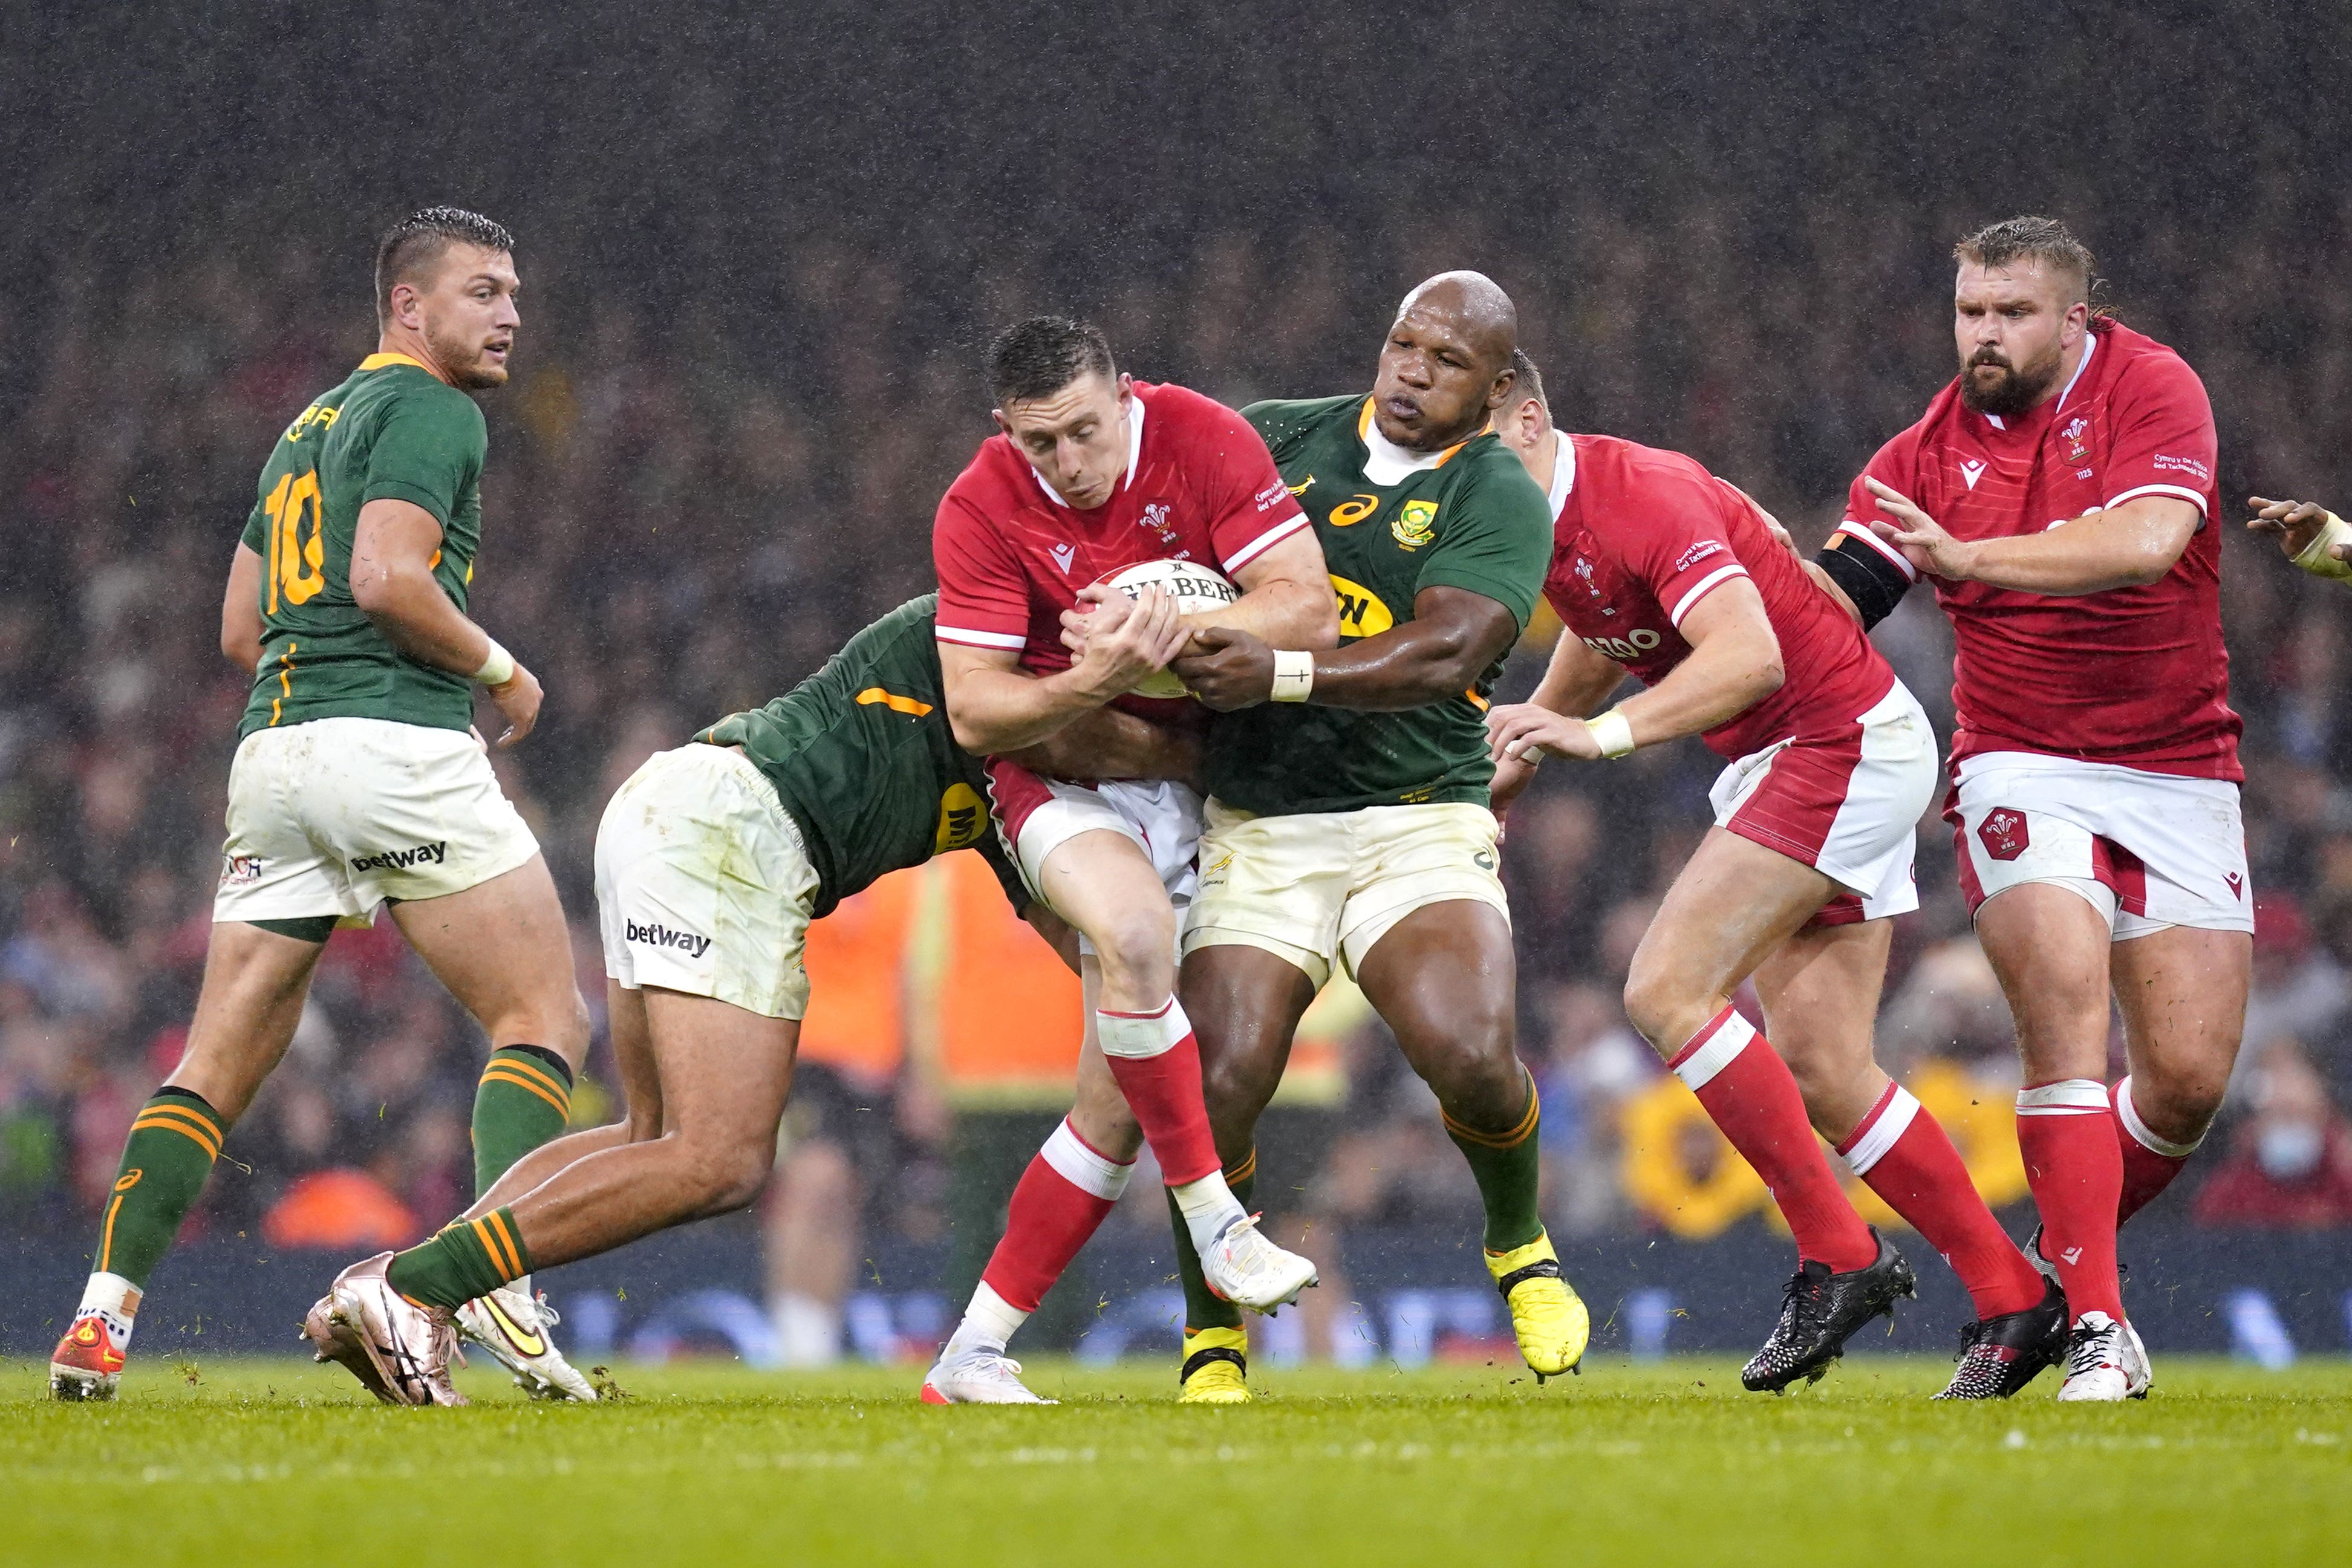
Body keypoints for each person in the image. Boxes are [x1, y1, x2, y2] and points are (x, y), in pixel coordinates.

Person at [302, 595, 1182, 1405]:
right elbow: (1060, 721)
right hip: (733, 830)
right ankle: (419, 1285)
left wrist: (1171, 1000)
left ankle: (414, 1283)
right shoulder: (977, 646)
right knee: (718, 1159)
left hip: (677, 808)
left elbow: (1083, 930)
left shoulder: (1017, 779)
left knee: (648, 1134)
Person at [50, 209, 597, 1404]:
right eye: (482, 291)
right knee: (545, 1014)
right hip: (393, 739)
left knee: (210, 1068)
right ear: (409, 305)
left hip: (275, 759)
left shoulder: (304, 430)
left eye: (514, 292)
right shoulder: (434, 409)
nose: (509, 315)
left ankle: (100, 1321)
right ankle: (498, 1280)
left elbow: (243, 629)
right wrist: (503, 670)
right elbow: (387, 578)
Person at [1484, 351, 2061, 1397]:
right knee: (1831, 1074)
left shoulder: (1637, 494)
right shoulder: (1557, 515)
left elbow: (1748, 659)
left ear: (1526, 419)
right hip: (1813, 748)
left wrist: (1599, 738)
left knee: (1663, 988)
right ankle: (2012, 1294)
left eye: (1465, 452)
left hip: (1829, 741)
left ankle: (1838, 1256)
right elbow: (1596, 621)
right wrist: (1534, 742)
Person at [1813, 215, 2247, 1400]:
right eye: (1968, 311)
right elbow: (1840, 592)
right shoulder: (1921, 454)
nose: (1984, 335)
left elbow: (2150, 542)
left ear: (2075, 317)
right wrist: (1710, 611)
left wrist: (1974, 557)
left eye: (2011, 313)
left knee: (2186, 1084)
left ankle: (2056, 1277)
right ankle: (2101, 1326)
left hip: (2179, 761)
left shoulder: (2154, 389)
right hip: (2018, 759)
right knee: (2061, 1013)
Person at [1155, 272, 1586, 1403]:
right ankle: (1213, 1334)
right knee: (1221, 1077)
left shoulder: (1498, 492)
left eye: (1445, 363)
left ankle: (1519, 1244)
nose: (1410, 371)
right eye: (1402, 344)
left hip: (1416, 816)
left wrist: (1280, 671)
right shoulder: (1274, 439)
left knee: (1471, 1055)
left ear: (1494, 391)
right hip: (1265, 821)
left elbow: (1447, 652)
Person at [922, 316, 1338, 1402]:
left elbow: (1310, 608)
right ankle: (1218, 1219)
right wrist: (1095, 674)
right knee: (1136, 933)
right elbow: (977, 709)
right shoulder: (978, 503)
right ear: (1003, 431)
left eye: (1083, 433)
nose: (1066, 464)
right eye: (1038, 443)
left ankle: (968, 1354)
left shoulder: (1203, 440)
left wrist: (1186, 627)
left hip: (1196, 782)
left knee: (1111, 1109)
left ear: (1126, 398)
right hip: (1058, 776)